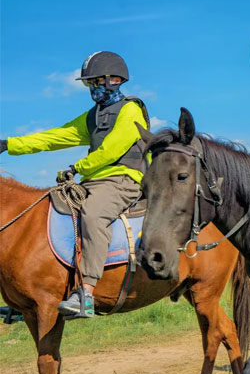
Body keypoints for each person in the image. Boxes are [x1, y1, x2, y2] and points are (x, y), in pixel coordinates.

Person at [0, 51, 149, 319]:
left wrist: (77, 168)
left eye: (95, 82)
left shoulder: (131, 110)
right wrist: (9, 144)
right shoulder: (93, 116)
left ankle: (87, 293)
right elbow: (55, 137)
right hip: (94, 180)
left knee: (93, 214)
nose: (91, 88)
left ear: (114, 80)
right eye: (88, 83)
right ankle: (33, 293)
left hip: (124, 180)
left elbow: (111, 150)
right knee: (53, 212)